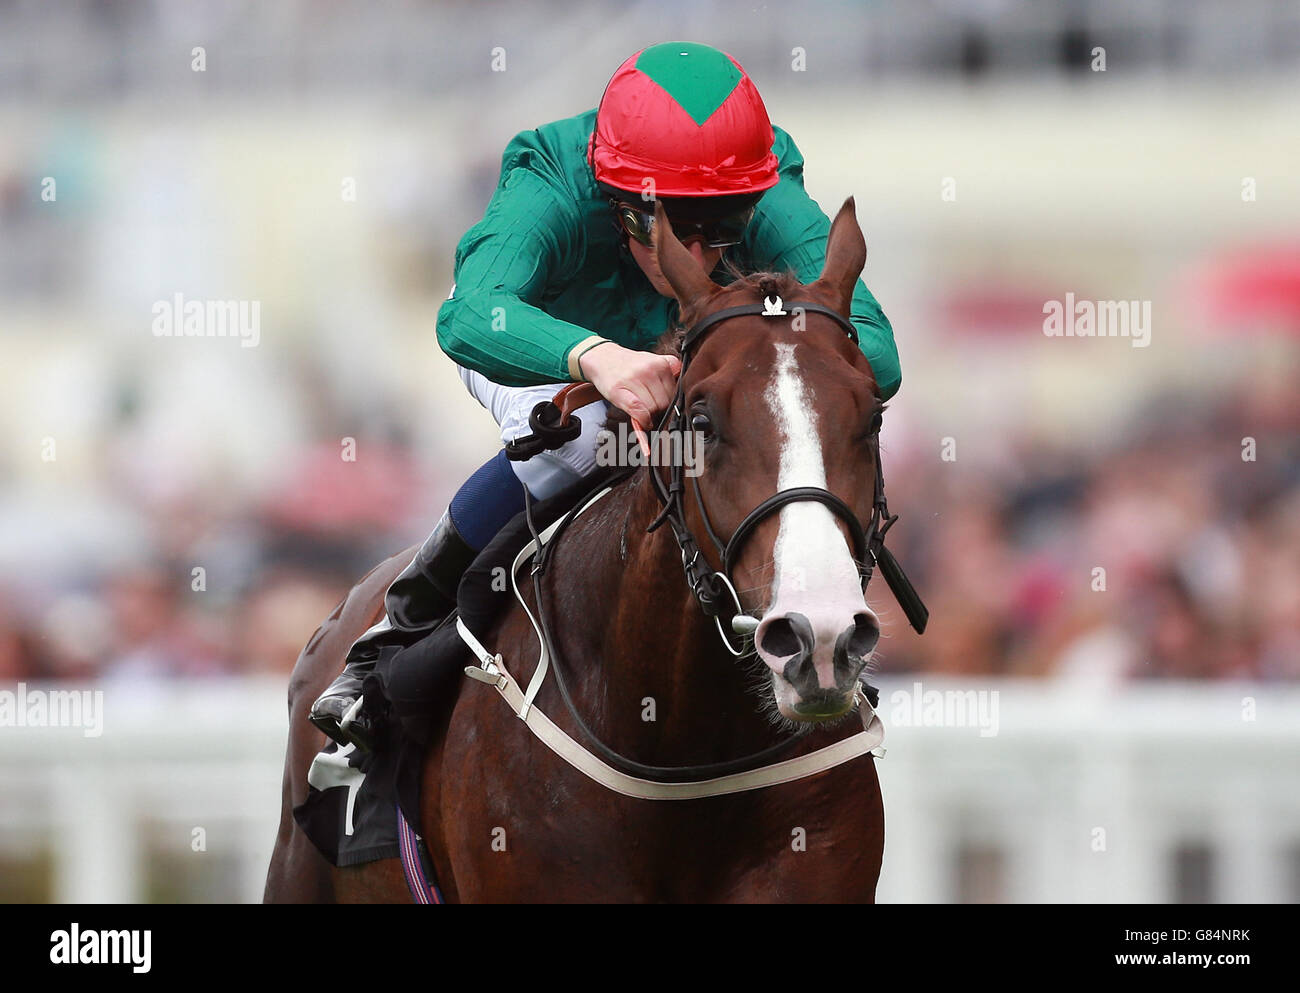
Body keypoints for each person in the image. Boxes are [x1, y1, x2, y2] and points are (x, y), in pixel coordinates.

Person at [310, 41, 902, 749]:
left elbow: (878, 352)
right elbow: (471, 316)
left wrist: (780, 369)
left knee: (774, 420)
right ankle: (393, 633)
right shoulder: (551, 178)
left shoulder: (760, 183)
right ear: (622, 204)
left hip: (690, 362)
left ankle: (806, 615)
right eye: (677, 232)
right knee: (597, 435)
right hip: (532, 339)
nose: (704, 253)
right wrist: (594, 358)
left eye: (724, 230)